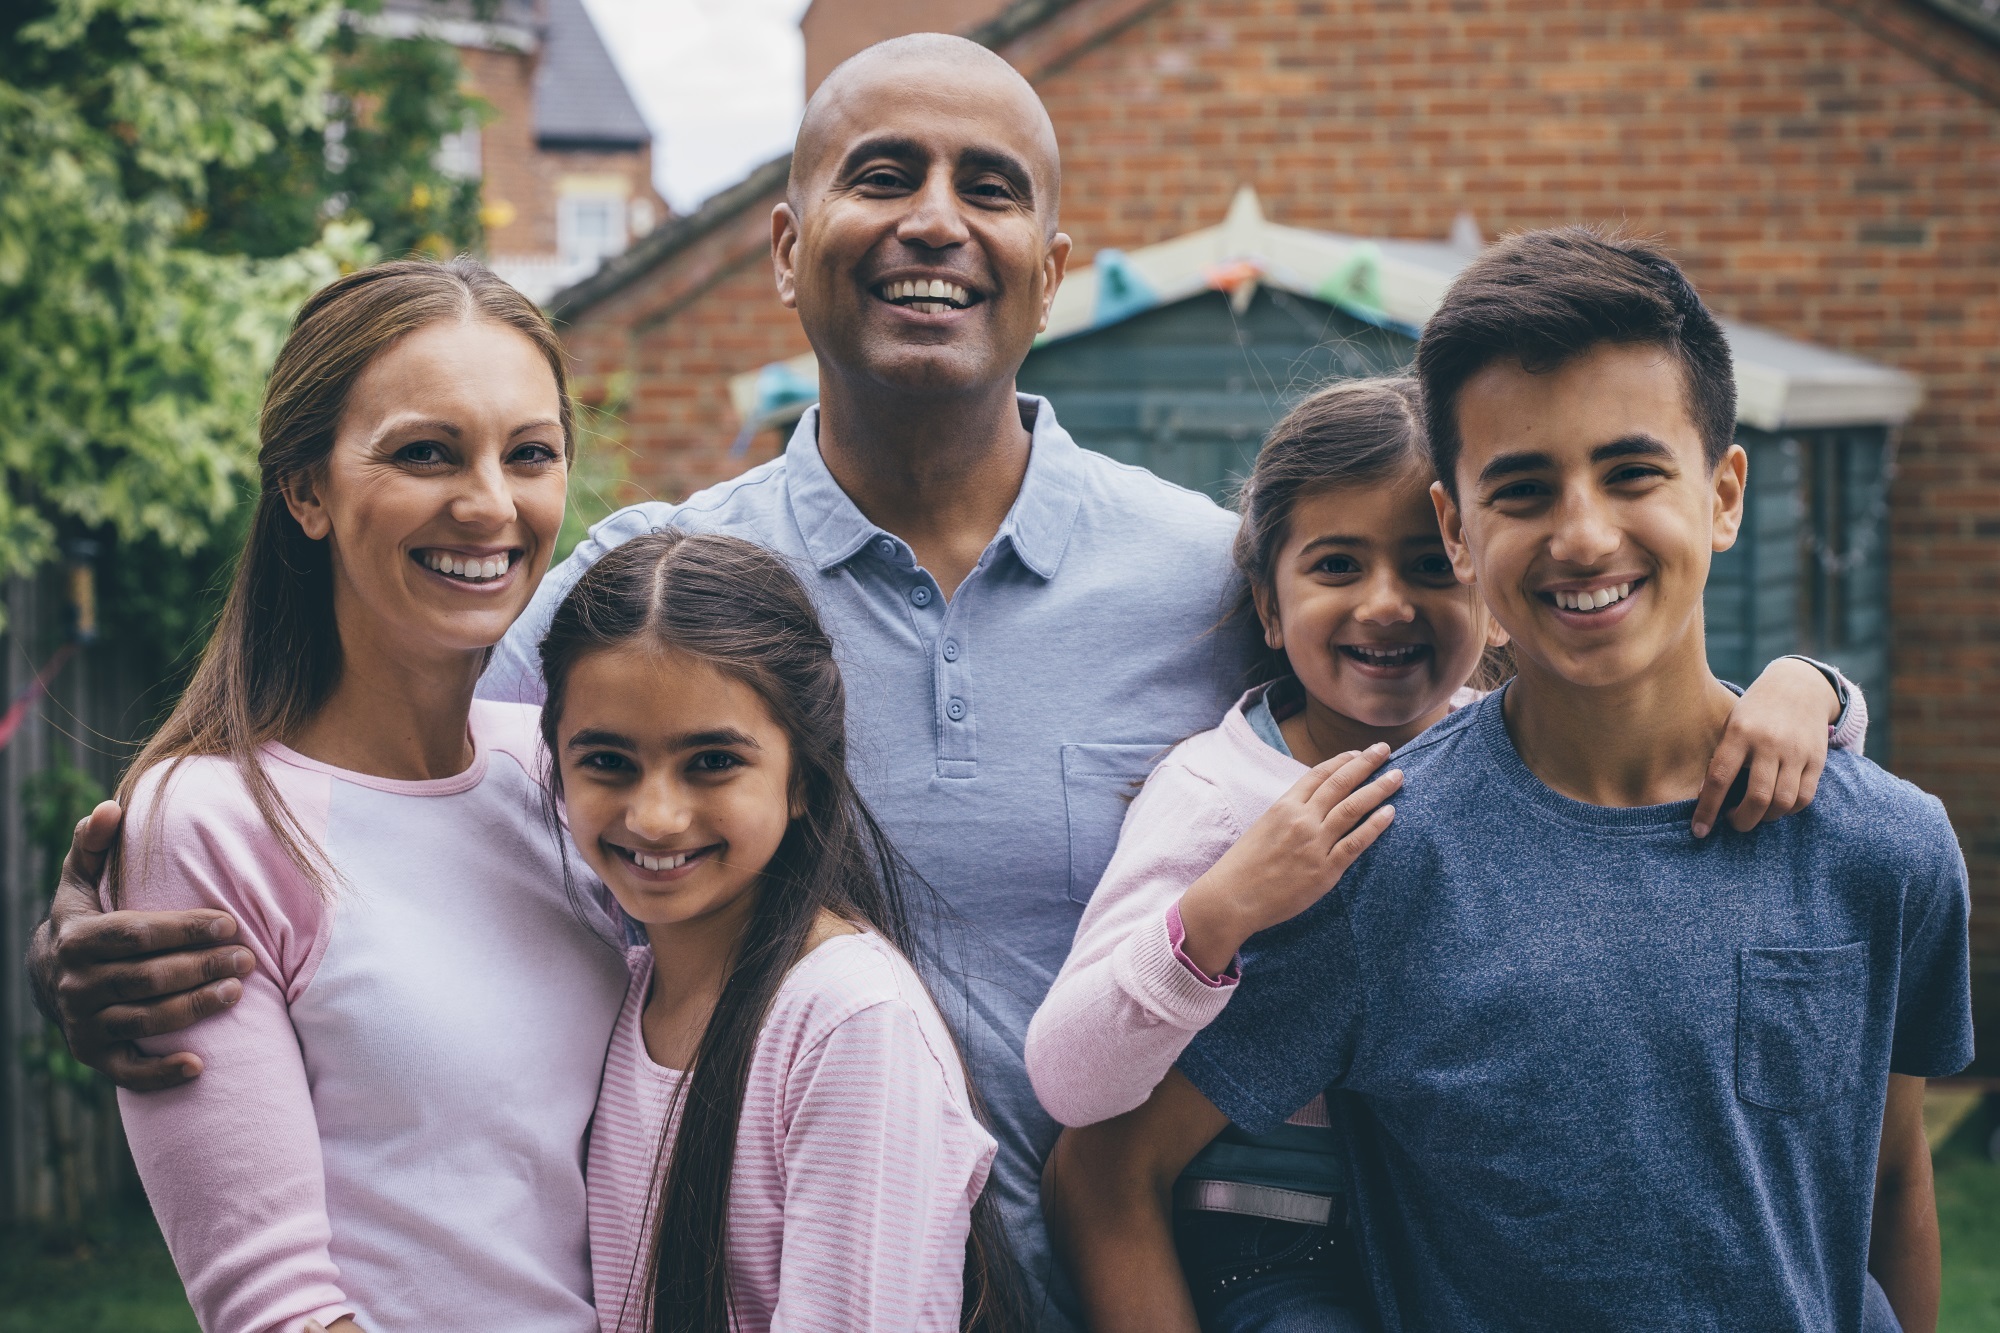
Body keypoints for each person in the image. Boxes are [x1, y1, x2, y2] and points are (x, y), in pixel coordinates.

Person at [28, 37, 1860, 1330]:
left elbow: (1490, 689)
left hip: (1153, 1287)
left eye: (991, 187)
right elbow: (407, 791)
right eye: (879, 173)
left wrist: (1800, 696)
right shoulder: (653, 594)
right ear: (781, 241)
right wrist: (124, 869)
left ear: (1052, 266)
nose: (933, 217)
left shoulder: (1203, 571)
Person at [1140, 229, 1971, 1331]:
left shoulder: (1889, 851)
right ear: (1457, 528)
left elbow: (1889, 1186)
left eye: (1630, 473)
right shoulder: (1377, 862)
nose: (1582, 536)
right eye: (1522, 489)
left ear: (1722, 495)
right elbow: (1104, 1172)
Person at [1030, 375, 1869, 1332]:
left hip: (1456, 1230)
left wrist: (1815, 688)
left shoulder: (1516, 761)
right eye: (1337, 566)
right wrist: (1225, 907)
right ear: (1269, 605)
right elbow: (1069, 1082)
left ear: (1488, 576)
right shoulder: (1221, 797)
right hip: (1277, 1251)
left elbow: (1696, 734)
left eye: (1429, 565)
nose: (1386, 604)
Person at [99, 258, 634, 1332]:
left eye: (528, 454)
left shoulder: (566, 775)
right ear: (306, 489)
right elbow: (272, 1306)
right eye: (426, 453)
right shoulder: (213, 822)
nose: (489, 504)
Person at [538, 530, 1023, 1332]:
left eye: (712, 762)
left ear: (803, 773)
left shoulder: (848, 1019)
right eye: (609, 762)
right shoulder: (621, 990)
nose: (656, 815)